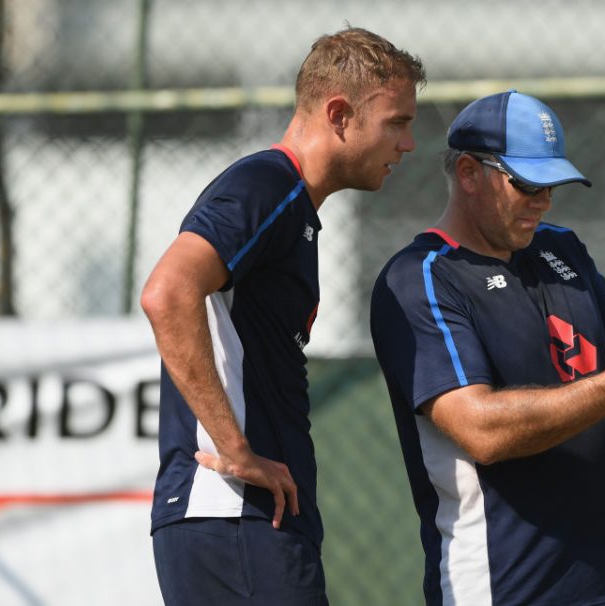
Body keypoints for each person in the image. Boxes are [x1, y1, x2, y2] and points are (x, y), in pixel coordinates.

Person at [370, 90, 605, 606]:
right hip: (501, 589)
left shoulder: (563, 250)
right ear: (468, 172)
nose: (543, 202)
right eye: (528, 183)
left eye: (553, 185)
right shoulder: (419, 277)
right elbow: (481, 432)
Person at [140, 26, 425, 606]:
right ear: (340, 114)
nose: (409, 143)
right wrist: (235, 448)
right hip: (232, 515)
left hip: (248, 522)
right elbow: (167, 292)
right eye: (397, 122)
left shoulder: (294, 206)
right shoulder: (267, 186)